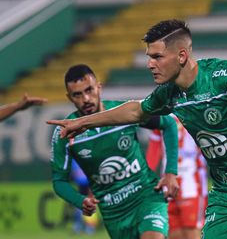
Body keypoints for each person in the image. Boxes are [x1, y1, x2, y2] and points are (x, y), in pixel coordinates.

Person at [47, 19, 227, 239]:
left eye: (156, 56)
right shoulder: (168, 94)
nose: (150, 64)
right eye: (149, 56)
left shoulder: (219, 76)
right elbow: (137, 110)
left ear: (181, 56)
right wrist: (80, 122)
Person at [49, 64, 179, 239]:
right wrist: (80, 201)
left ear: (99, 87)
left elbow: (169, 123)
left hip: (146, 196)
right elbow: (59, 181)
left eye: (89, 90)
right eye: (77, 94)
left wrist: (171, 172)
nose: (86, 98)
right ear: (69, 97)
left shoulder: (122, 113)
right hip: (114, 213)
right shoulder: (65, 132)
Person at [146, 115, 208, 239]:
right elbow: (154, 151)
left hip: (192, 184)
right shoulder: (161, 116)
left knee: (192, 232)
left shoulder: (194, 111)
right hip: (167, 184)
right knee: (172, 232)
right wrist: (147, 182)